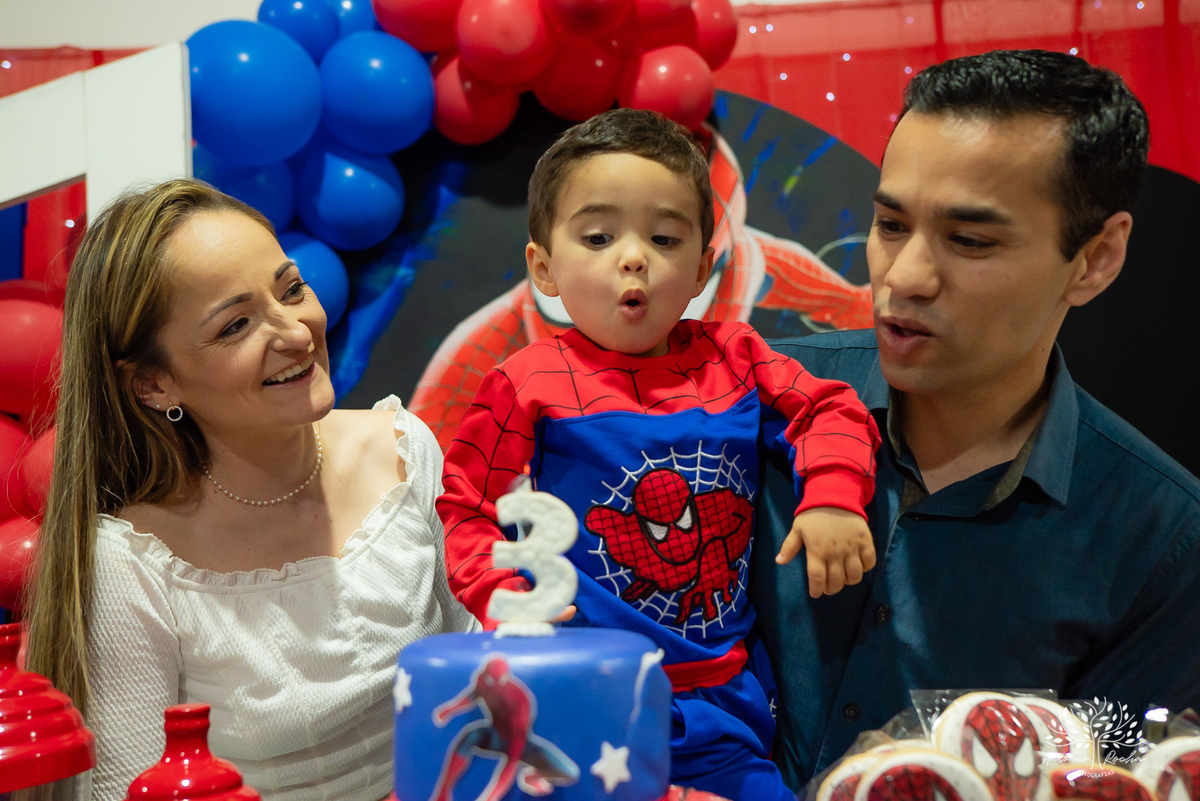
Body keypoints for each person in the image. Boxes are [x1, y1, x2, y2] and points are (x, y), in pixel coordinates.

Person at [749, 49, 1200, 791]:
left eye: (970, 241)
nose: (905, 277)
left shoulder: (1159, 537)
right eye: (890, 224)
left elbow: (1111, 774)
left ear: (1096, 257)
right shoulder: (746, 400)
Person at [436, 108, 882, 801]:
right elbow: (465, 506)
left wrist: (831, 497)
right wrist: (506, 600)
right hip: (584, 695)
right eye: (598, 235)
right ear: (544, 268)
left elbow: (829, 407)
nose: (634, 255)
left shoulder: (737, 356)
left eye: (665, 235)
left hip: (723, 701)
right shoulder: (525, 381)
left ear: (704, 264)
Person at [23, 179, 478, 801]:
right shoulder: (131, 559)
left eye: (292, 289)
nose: (295, 332)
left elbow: (477, 677)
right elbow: (124, 788)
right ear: (154, 386)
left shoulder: (403, 449)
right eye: (236, 325)